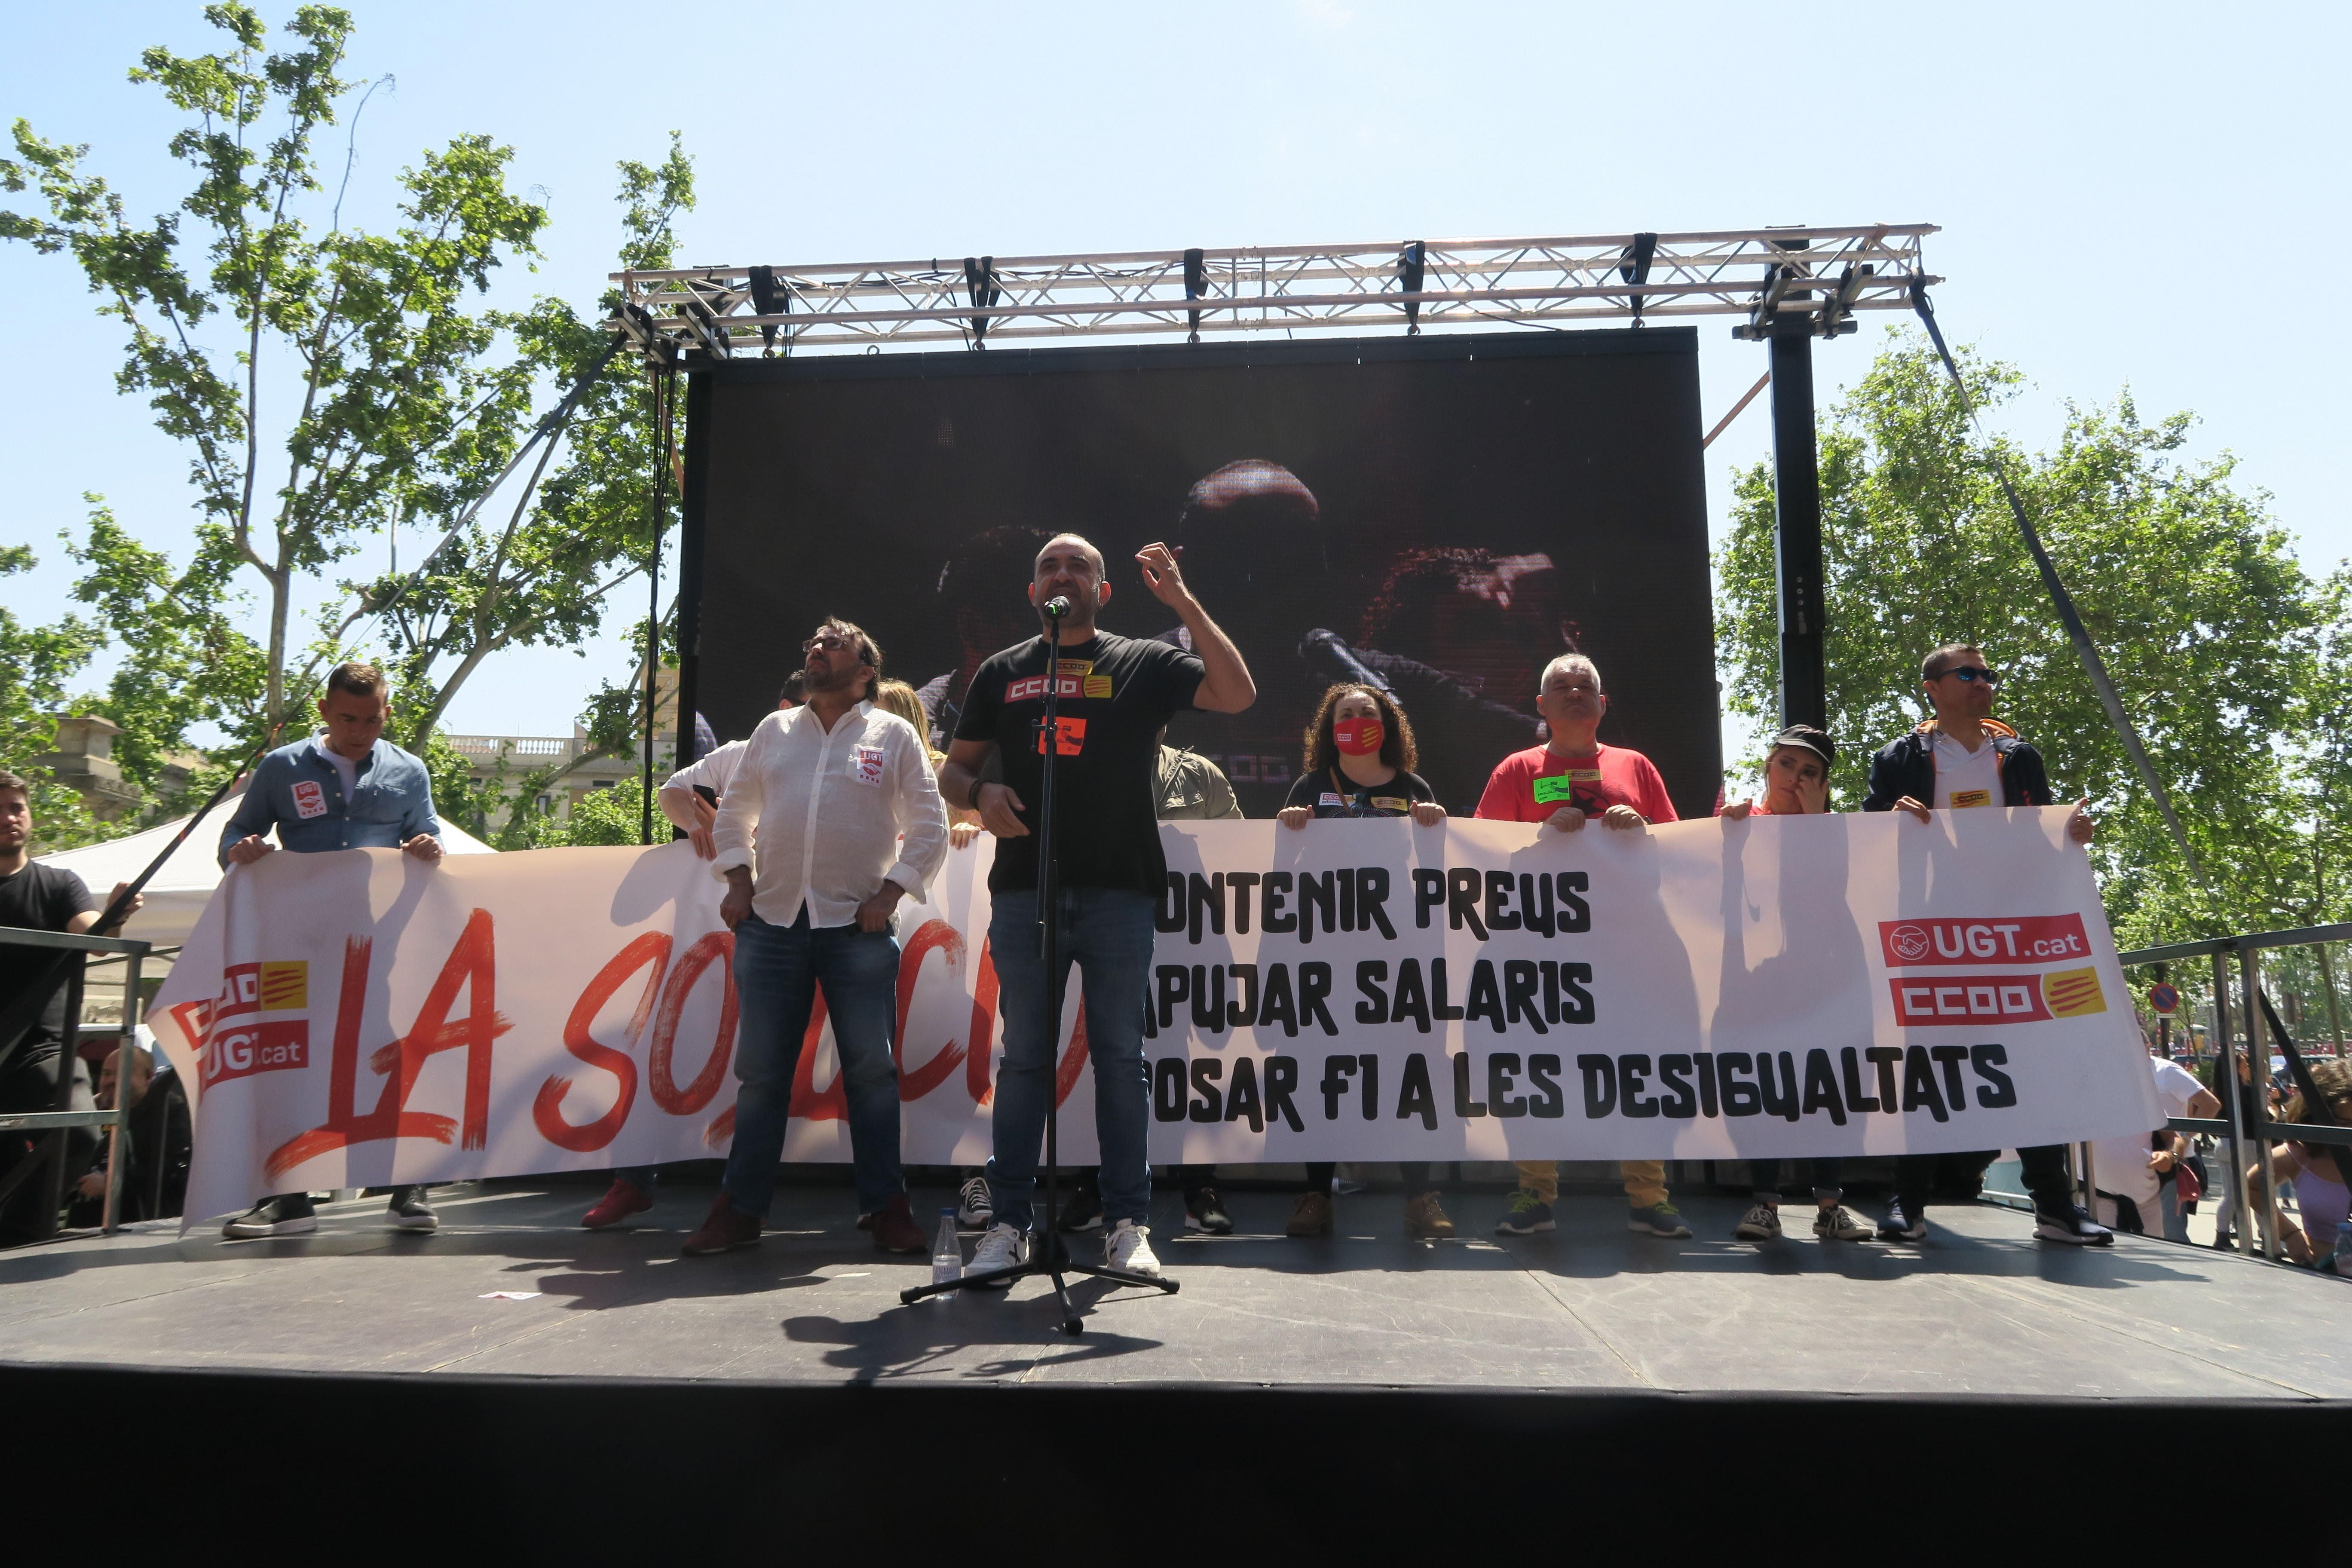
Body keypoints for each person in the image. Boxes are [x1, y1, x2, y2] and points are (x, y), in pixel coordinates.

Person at [941, 533, 1256, 1286]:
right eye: (1050, 565)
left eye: (1078, 564)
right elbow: (955, 768)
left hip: (1120, 888)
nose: (1063, 573)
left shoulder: (1142, 661)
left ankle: (1127, 1225)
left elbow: (1236, 693)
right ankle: (1009, 1225)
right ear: (1032, 591)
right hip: (1025, 890)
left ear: (1103, 589)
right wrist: (979, 793)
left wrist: (1180, 601)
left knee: (1121, 1059)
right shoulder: (1003, 669)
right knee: (1024, 1062)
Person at [680, 620, 949, 1259]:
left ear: (864, 672)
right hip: (772, 926)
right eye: (811, 644)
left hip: (858, 930)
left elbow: (931, 824)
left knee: (872, 1075)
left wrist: (889, 898)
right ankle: (740, 1210)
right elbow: (734, 813)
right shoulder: (773, 733)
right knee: (763, 1076)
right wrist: (738, 882)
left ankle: (886, 1208)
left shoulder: (894, 734)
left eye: (833, 645)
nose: (815, 650)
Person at [1862, 642, 2107, 1245]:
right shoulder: (1899, 758)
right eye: (1968, 674)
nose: (1983, 683)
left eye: (1988, 674)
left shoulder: (2018, 757)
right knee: (1927, 1067)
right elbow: (1863, 837)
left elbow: (2043, 836)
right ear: (1933, 688)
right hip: (1930, 938)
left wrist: (2071, 831)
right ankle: (1908, 1203)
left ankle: (2054, 1207)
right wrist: (1889, 817)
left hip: (2010, 934)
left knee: (2030, 1061)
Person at [214, 664, 446, 1239]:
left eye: (371, 719)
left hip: (378, 948)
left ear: (387, 714)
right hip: (293, 945)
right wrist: (239, 850)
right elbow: (232, 836)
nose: (359, 730)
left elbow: (432, 838)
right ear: (323, 711)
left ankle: (407, 1187)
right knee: (287, 1056)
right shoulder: (280, 766)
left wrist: (427, 846)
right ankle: (286, 1198)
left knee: (387, 1053)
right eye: (347, 718)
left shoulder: (409, 771)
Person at [1472, 654, 1693, 1241]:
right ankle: (1534, 1192)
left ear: (1603, 704)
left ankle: (1649, 1198)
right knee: (1538, 1071)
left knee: (1632, 1071)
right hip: (1539, 955)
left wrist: (1639, 830)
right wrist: (1542, 841)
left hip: (1628, 953)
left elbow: (1675, 850)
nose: (1575, 694)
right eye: (1561, 687)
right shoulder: (1516, 770)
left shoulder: (1635, 767)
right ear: (1541, 705)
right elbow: (1484, 855)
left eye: (1585, 687)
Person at [583, 673, 812, 1230]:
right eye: (807, 713)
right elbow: (672, 792)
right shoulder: (738, 754)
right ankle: (635, 1179)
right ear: (781, 710)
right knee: (673, 1043)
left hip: (798, 934)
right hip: (712, 936)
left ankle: (748, 1198)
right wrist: (696, 822)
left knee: (780, 1066)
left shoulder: (846, 759)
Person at [1276, 683, 1455, 1239]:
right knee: (1319, 1068)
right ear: (1330, 729)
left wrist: (1436, 826)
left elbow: (1437, 875)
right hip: (1328, 954)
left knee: (1407, 1071)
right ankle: (1317, 1195)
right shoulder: (1309, 787)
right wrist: (1289, 832)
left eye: (1367, 713)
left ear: (1389, 725)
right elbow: (1283, 870)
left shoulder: (1412, 787)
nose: (1356, 720)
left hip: (1396, 954)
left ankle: (1419, 1196)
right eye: (1346, 714)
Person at [1055, 737, 1247, 1237]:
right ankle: (1093, 1187)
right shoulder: (1083, 760)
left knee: (1185, 1071)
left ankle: (1198, 1188)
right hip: (1107, 939)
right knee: (1107, 1058)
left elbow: (1239, 851)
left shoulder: (1199, 774)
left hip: (1188, 949)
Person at [1717, 726, 1875, 1243]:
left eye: (1810, 772)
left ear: (1824, 783)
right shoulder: (1739, 823)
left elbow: (1839, 896)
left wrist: (1815, 822)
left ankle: (1830, 1205)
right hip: (1758, 983)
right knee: (1766, 1085)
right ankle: (1765, 1203)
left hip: (1825, 981)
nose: (1795, 778)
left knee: (1827, 1086)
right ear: (1767, 767)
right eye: (1787, 765)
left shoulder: (1833, 829)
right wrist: (1726, 836)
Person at [0, 770, 141, 1242]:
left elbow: (95, 937)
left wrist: (115, 915)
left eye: (17, 807)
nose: (9, 818)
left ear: (30, 814)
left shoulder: (59, 884)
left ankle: (17, 1231)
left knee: (81, 1131)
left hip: (42, 1051)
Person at [2090, 1048, 2218, 1236]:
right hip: (2096, 1201)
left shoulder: (2149, 1092)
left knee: (2173, 1239)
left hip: (2150, 1198)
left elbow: (2175, 1138)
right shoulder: (2082, 1099)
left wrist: (2171, 1154)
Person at [67, 1041, 189, 1228]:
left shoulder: (169, 1111)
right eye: (107, 1073)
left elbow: (173, 1169)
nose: (110, 1080)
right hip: (82, 1229)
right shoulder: (93, 1113)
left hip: (137, 1231)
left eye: (123, 1073)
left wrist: (111, 1183)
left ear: (148, 1077)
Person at [2246, 1058, 2352, 1274]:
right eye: (2345, 1123)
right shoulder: (2299, 1156)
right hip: (2326, 1278)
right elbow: (2251, 1186)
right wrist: (2289, 1233)